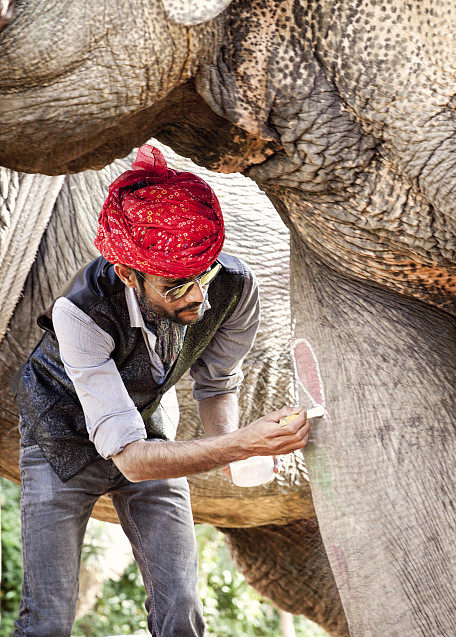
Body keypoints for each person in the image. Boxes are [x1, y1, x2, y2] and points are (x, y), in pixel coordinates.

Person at [11, 144, 310, 637]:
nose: (199, 297)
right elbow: (130, 459)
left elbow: (216, 383)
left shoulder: (233, 286)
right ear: (129, 274)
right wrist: (238, 444)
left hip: (148, 426)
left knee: (182, 610)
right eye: (174, 287)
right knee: (47, 620)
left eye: (204, 274)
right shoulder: (79, 312)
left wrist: (242, 453)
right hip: (58, 441)